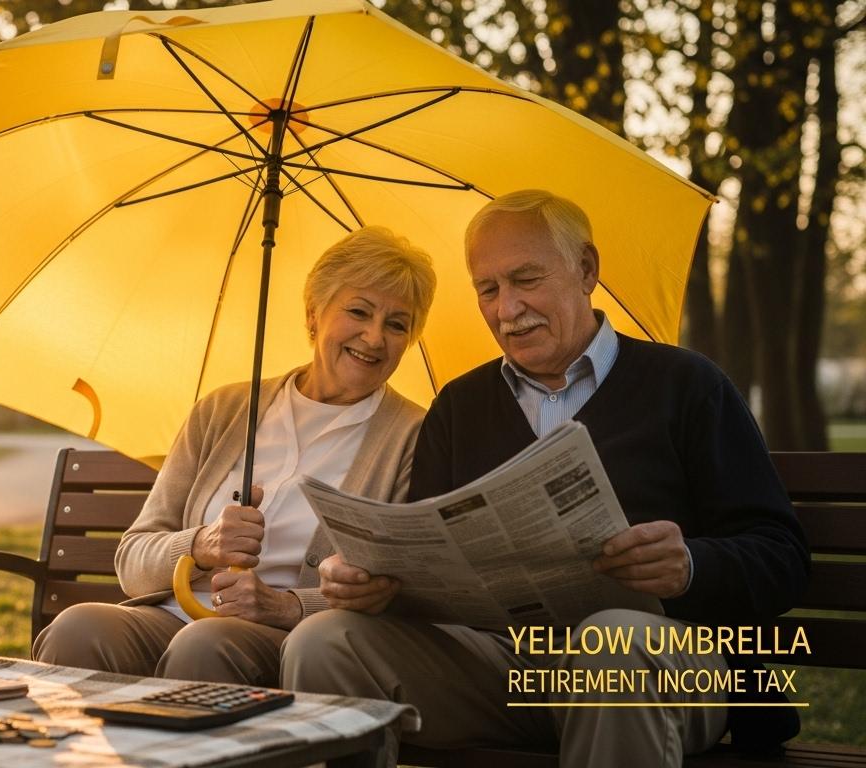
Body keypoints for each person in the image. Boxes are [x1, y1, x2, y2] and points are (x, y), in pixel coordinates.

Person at [281, 190, 810, 766]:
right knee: (325, 640)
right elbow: (421, 567)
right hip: (504, 670)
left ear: (586, 270)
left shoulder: (687, 386)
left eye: (525, 279)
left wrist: (690, 565)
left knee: (612, 645)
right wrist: (372, 583)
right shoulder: (459, 408)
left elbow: (782, 558)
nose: (507, 309)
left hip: (660, 666)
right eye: (488, 289)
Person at [32, 225, 437, 686]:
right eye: (358, 311)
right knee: (79, 627)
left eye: (397, 324)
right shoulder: (224, 410)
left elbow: (404, 592)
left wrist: (287, 605)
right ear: (313, 315)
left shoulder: (413, 437)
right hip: (170, 618)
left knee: (206, 643)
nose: (374, 337)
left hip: (289, 641)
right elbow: (133, 562)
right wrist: (201, 545)